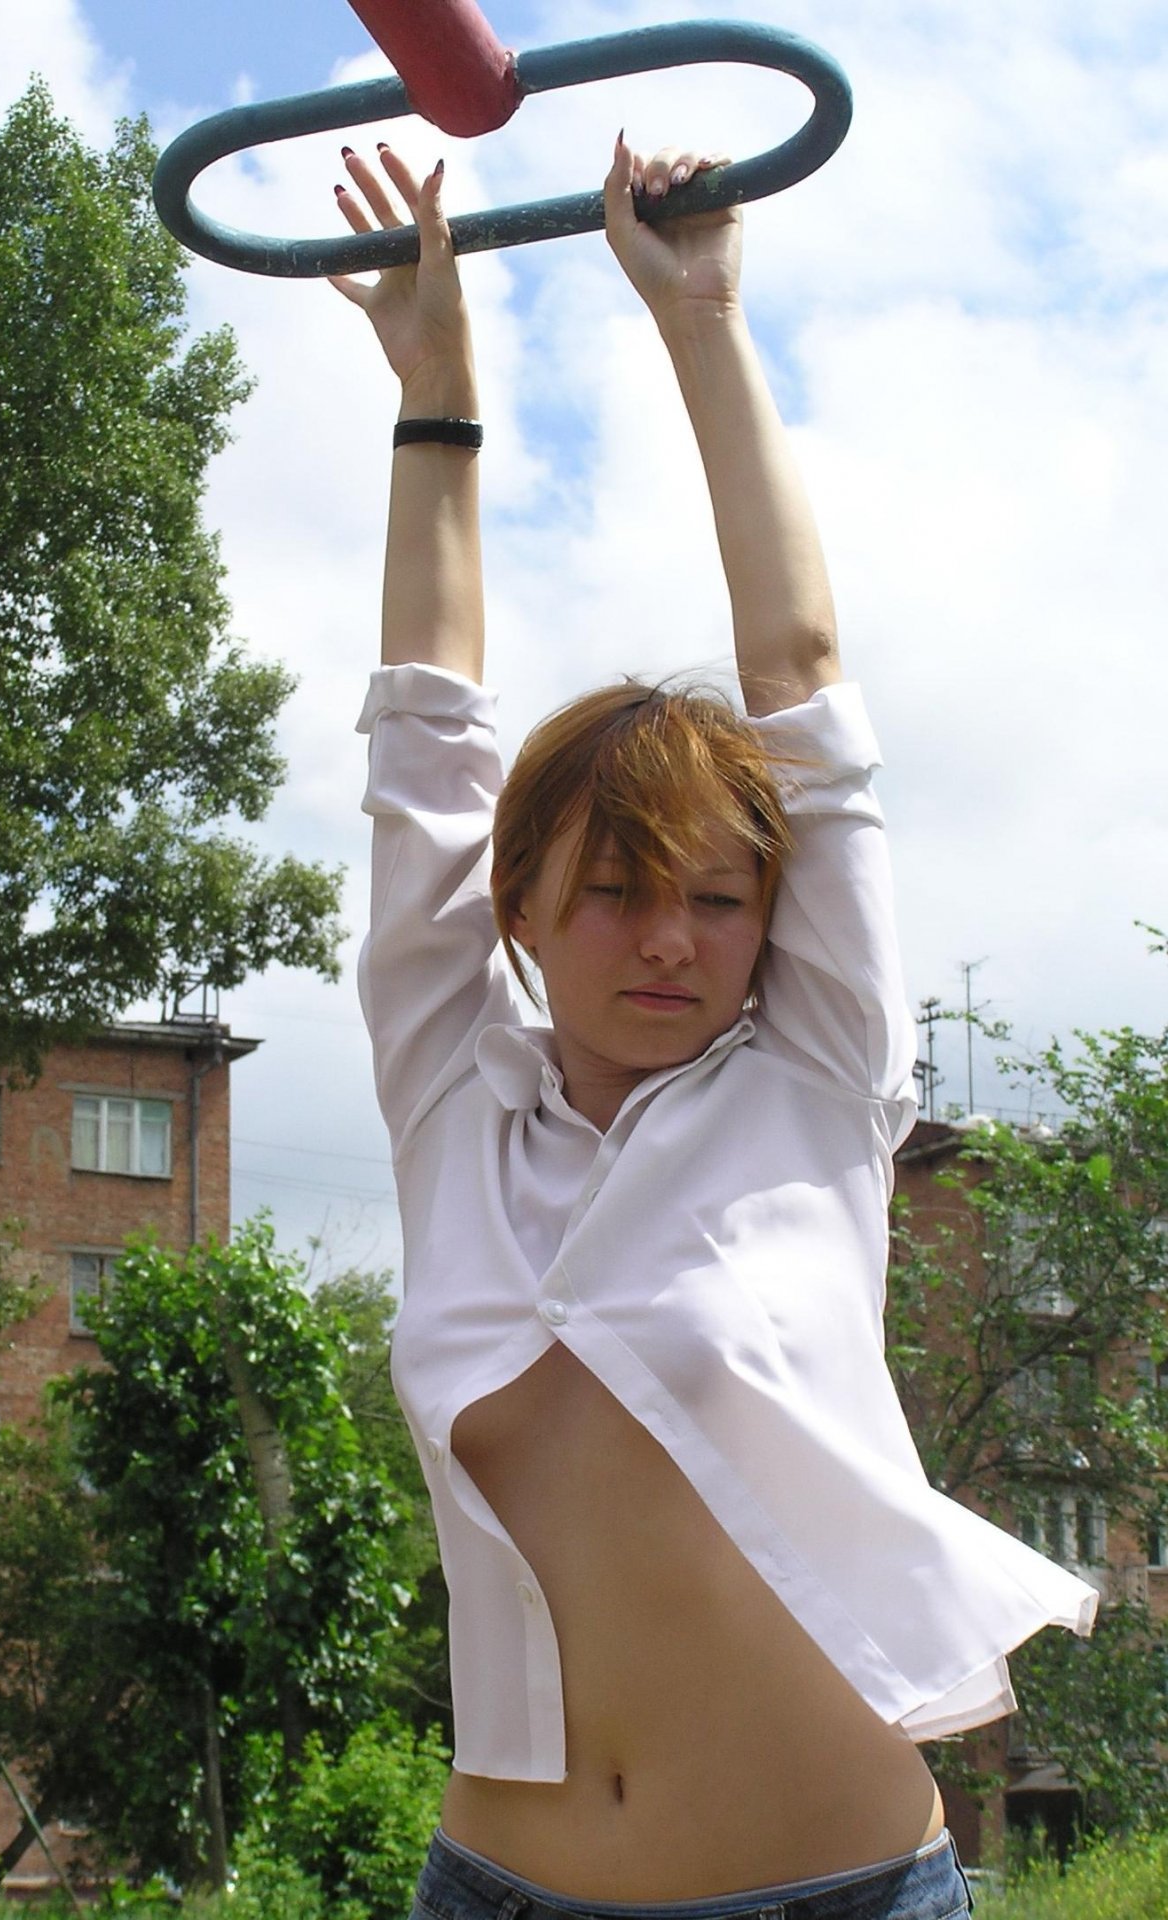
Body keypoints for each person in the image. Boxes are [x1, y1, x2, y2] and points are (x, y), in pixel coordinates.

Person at [332, 136, 1096, 1920]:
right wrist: (434, 390)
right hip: (501, 1890)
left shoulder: (817, 1084)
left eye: (721, 897)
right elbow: (425, 740)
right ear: (519, 910)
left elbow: (802, 677)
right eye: (615, 891)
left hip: (837, 1888)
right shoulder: (456, 1108)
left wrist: (704, 315)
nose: (673, 939)